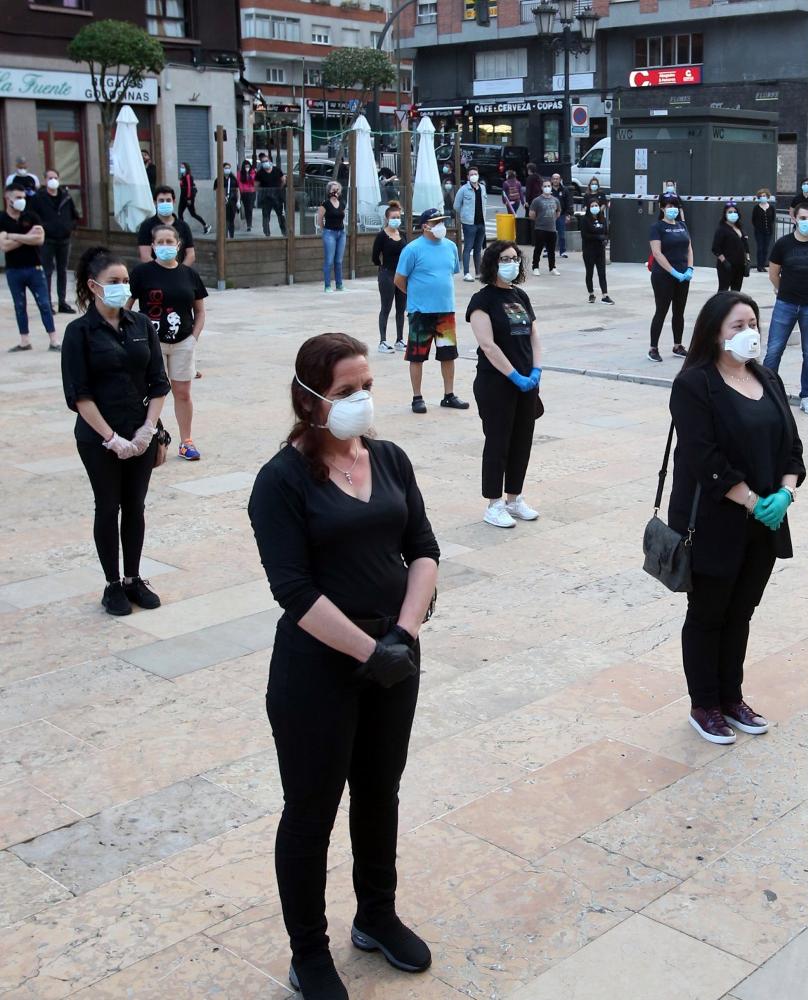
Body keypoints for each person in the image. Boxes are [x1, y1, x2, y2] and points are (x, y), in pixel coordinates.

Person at [248, 331, 439, 1000]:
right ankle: (309, 952)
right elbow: (294, 591)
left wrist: (404, 636)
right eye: (344, 391)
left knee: (379, 793)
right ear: (308, 401)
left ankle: (377, 915)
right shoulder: (281, 480)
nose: (360, 400)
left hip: (394, 659)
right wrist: (369, 651)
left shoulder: (389, 459)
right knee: (311, 809)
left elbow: (422, 549)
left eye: (367, 387)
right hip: (317, 671)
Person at [669, 291, 805, 744]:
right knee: (708, 612)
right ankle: (704, 704)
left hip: (765, 522)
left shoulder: (768, 378)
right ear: (714, 332)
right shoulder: (695, 385)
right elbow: (702, 457)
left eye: (754, 323)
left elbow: (793, 448)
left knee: (742, 611)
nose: (750, 333)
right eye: (738, 326)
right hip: (714, 521)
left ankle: (732, 696)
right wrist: (750, 500)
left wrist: (784, 493)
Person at [61, 246, 169, 616]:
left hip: (140, 432)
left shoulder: (141, 326)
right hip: (98, 438)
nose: (123, 287)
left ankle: (133, 577)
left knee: (135, 506)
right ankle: (112, 583)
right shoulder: (79, 333)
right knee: (108, 507)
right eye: (114, 282)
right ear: (94, 286)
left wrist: (148, 431)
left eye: (126, 281)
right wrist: (111, 438)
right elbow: (79, 395)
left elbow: (158, 382)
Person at [467, 240, 544, 529]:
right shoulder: (482, 301)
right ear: (492, 263)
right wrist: (513, 375)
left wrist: (535, 370)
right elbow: (487, 345)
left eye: (514, 258)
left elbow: (534, 334)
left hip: (527, 382)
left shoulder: (520, 296)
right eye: (504, 259)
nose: (511, 263)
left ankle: (514, 498)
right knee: (498, 441)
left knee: (521, 440)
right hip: (496, 382)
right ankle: (494, 503)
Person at [127, 223, 208, 460]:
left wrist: (193, 337)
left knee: (182, 392)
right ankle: (149, 436)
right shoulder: (142, 273)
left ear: (178, 245)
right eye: (160, 242)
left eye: (169, 242)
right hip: (152, 343)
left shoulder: (189, 274)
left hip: (183, 341)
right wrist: (132, 336)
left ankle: (186, 441)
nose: (165, 246)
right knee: (152, 392)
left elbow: (200, 311)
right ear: (152, 246)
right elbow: (127, 308)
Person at [762, 203, 808, 414]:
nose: (807, 222)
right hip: (785, 304)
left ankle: (807, 396)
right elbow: (773, 273)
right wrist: (784, 290)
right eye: (803, 218)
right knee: (774, 349)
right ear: (794, 219)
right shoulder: (783, 244)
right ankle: (766, 392)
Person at [394, 208, 469, 414]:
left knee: (448, 354)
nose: (440, 226)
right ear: (425, 225)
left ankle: (449, 394)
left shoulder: (451, 247)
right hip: (420, 311)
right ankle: (417, 397)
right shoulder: (412, 249)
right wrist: (415, 296)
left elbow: (452, 271)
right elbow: (399, 279)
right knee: (417, 356)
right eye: (436, 222)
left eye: (442, 222)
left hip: (446, 310)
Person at [1, 181, 57, 352]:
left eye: (23, 197)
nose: (21, 200)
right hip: (13, 270)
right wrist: (27, 236)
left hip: (35, 268)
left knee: (44, 304)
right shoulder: (1, 218)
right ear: (7, 198)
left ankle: (53, 340)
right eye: (18, 197)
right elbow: (3, 246)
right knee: (19, 305)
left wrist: (13, 236)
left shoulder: (31, 216)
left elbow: (39, 239)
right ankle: (24, 341)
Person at [648, 192, 693, 363]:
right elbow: (657, 253)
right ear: (662, 208)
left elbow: (689, 248)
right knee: (661, 310)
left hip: (683, 275)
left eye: (675, 206)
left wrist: (689, 269)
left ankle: (678, 345)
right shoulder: (657, 227)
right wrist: (673, 272)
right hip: (663, 276)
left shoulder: (682, 226)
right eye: (669, 206)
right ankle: (653, 348)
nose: (672, 209)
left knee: (679, 312)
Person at [31, 167, 79, 313]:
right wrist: (44, 228)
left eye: (55, 178)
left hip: (64, 239)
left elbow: (74, 215)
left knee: (62, 271)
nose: (53, 180)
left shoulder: (66, 196)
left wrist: (69, 227)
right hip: (47, 240)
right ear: (45, 180)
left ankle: (62, 302)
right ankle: (47, 303)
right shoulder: (39, 198)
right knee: (47, 271)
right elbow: (33, 216)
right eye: (50, 178)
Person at [373, 201, 409, 354]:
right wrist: (382, 268)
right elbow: (374, 257)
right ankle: (383, 340)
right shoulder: (382, 236)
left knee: (401, 308)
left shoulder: (402, 234)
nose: (396, 219)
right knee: (386, 307)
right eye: (393, 217)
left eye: (398, 217)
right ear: (387, 218)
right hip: (387, 273)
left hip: (401, 274)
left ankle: (399, 339)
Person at [137, 186, 196, 266]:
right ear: (155, 202)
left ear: (174, 201)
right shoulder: (146, 226)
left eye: (168, 200)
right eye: (161, 200)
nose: (165, 203)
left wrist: (180, 271)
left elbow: (191, 255)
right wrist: (162, 272)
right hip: (154, 274)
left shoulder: (184, 226)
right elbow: (145, 256)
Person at [453, 168, 487, 282]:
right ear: (468, 176)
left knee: (478, 248)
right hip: (469, 223)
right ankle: (466, 273)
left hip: (481, 223)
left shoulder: (482, 188)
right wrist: (465, 215)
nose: (474, 176)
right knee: (468, 247)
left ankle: (478, 272)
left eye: (475, 174)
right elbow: (456, 205)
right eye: (471, 174)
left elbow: (484, 203)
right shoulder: (463, 190)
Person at [711, 201, 750, 293]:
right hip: (726, 265)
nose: (733, 214)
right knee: (723, 290)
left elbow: (745, 245)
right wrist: (724, 261)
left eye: (735, 212)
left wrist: (747, 260)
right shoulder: (721, 229)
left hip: (740, 265)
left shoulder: (740, 228)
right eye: (730, 212)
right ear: (725, 214)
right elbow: (715, 248)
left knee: (736, 291)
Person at [316, 181, 347, 293]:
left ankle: (339, 284)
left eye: (337, 189)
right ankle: (327, 285)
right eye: (333, 189)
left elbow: (342, 215)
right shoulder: (325, 204)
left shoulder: (342, 203)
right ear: (329, 191)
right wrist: (323, 229)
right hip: (330, 233)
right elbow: (320, 218)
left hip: (341, 232)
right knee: (329, 260)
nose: (335, 191)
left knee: (338, 260)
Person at [580, 196, 611, 303]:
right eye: (592, 206)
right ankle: (591, 294)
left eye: (596, 205)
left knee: (602, 273)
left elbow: (606, 232)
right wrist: (597, 237)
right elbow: (584, 235)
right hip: (589, 250)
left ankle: (605, 295)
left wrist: (605, 239)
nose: (594, 207)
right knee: (590, 272)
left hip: (600, 250)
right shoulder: (585, 220)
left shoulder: (602, 219)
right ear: (589, 207)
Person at [528, 181, 561, 275]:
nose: (547, 187)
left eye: (549, 186)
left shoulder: (555, 200)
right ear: (542, 188)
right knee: (538, 249)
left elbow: (558, 212)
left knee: (551, 250)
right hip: (540, 229)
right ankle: (535, 267)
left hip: (552, 229)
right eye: (545, 186)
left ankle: (552, 267)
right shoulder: (537, 200)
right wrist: (539, 220)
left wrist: (553, 218)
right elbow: (532, 214)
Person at [257, 156, 287, 237]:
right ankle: (267, 233)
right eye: (263, 162)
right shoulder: (260, 173)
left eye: (266, 161)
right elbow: (256, 185)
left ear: (269, 161)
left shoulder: (277, 170)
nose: (265, 163)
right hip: (266, 198)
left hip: (277, 197)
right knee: (266, 216)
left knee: (280, 215)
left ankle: (284, 232)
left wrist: (279, 189)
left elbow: (283, 180)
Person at [177, 162, 210, 235]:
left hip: (188, 198)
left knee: (193, 214)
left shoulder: (188, 176)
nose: (181, 169)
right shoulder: (182, 177)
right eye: (181, 167)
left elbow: (189, 187)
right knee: (180, 213)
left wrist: (189, 198)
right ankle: (182, 229)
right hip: (182, 197)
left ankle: (206, 225)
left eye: (183, 167)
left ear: (186, 168)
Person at [550, 172, 574, 258]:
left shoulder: (564, 190)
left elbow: (568, 203)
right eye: (554, 178)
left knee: (562, 234)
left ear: (560, 180)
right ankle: (547, 250)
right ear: (552, 180)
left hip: (561, 214)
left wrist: (568, 214)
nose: (556, 180)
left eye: (557, 179)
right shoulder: (548, 190)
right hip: (550, 215)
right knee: (549, 233)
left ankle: (562, 251)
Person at [752, 190, 775, 275]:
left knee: (765, 249)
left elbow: (772, 218)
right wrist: (758, 227)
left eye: (764, 195)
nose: (763, 197)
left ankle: (763, 265)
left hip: (768, 231)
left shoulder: (771, 207)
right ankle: (759, 266)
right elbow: (753, 220)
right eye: (761, 196)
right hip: (759, 232)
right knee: (760, 248)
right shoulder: (756, 208)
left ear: (767, 197)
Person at [214, 162, 239, 239]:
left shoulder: (233, 179)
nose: (227, 170)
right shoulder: (218, 180)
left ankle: (231, 236)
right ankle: (224, 237)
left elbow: (237, 190)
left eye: (228, 168)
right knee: (224, 220)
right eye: (225, 168)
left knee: (231, 220)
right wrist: (216, 202)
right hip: (222, 202)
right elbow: (216, 191)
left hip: (232, 202)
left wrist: (238, 201)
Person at [237, 159, 257, 232]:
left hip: (251, 192)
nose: (247, 168)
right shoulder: (240, 173)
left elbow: (254, 182)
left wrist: (249, 175)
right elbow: (239, 183)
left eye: (248, 166)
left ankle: (249, 224)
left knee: (250, 208)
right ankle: (248, 223)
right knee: (246, 208)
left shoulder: (253, 172)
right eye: (245, 166)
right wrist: (242, 191)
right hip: (244, 193)